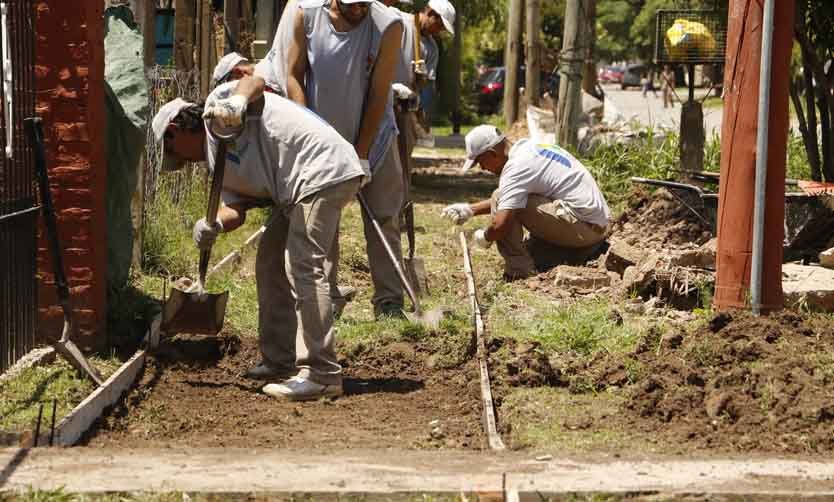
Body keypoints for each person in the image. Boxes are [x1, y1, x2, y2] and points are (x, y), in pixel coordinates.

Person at [151, 79, 370, 400]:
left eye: (175, 154)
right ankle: (279, 360)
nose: (183, 164)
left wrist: (238, 102)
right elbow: (235, 210)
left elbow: (255, 80)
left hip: (320, 169)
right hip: (294, 191)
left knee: (304, 267)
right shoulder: (217, 165)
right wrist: (213, 225)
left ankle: (322, 373)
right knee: (269, 262)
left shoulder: (218, 109)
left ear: (175, 130)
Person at [286, 0, 406, 318]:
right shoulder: (306, 15)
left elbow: (380, 93)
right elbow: (294, 76)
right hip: (320, 144)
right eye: (353, 5)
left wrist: (361, 154)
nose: (360, 10)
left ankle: (389, 302)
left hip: (375, 140)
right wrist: (308, 133)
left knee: (384, 218)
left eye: (365, 3)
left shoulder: (388, 25)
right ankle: (324, 300)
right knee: (321, 222)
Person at [442, 125, 611, 280]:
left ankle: (519, 271)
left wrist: (486, 237)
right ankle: (565, 253)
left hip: (585, 231)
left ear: (492, 153)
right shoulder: (530, 149)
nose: (482, 168)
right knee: (506, 202)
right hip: (595, 227)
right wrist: (470, 210)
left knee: (500, 198)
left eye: (480, 161)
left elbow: (501, 223)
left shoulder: (516, 167)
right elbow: (515, 196)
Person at [388, 0, 456, 228]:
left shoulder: (431, 48)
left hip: (405, 107)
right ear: (430, 13)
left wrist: (421, 78)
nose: (439, 31)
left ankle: (398, 211)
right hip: (380, 101)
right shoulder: (399, 22)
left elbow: (425, 85)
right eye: (439, 25)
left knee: (403, 161)